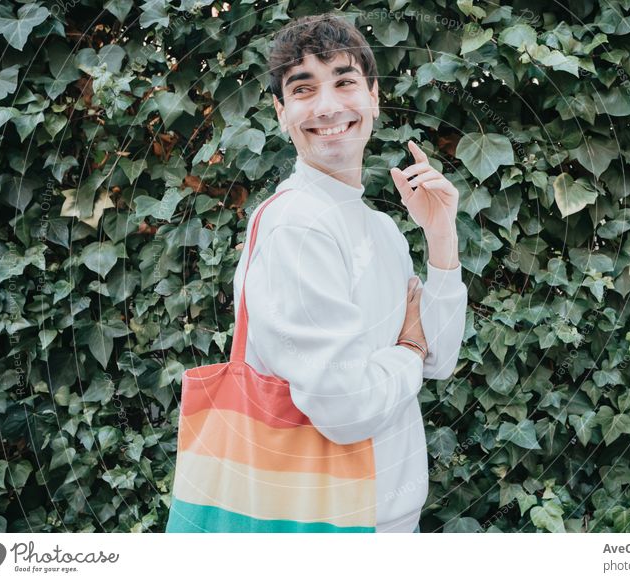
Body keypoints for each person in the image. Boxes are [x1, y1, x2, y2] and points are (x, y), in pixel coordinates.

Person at [234, 12, 467, 533]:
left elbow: (441, 358)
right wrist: (407, 350)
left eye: (344, 81)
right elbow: (346, 409)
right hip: (326, 524)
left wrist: (441, 239)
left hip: (385, 517)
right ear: (280, 111)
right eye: (303, 88)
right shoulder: (297, 225)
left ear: (374, 96)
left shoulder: (380, 226)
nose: (329, 106)